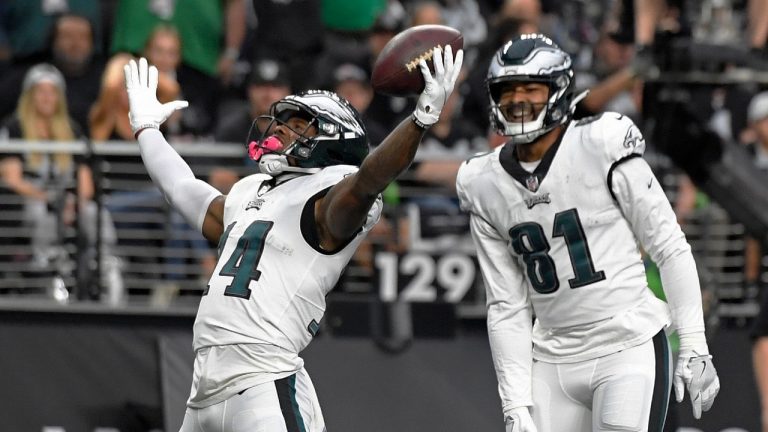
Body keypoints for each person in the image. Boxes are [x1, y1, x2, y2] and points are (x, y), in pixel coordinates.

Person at [123, 42, 462, 430]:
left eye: (299, 125)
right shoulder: (253, 191)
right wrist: (146, 129)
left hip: (263, 383)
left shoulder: (330, 196)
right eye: (283, 121)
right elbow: (181, 187)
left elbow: (368, 179)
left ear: (334, 140)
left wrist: (421, 118)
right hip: (203, 386)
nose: (281, 131)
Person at [454, 33, 719, 432]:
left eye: (531, 88)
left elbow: (668, 246)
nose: (517, 100)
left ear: (558, 91)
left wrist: (694, 343)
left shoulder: (601, 143)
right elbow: (506, 305)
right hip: (552, 354)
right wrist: (514, 402)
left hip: (627, 345)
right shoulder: (483, 181)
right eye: (507, 90)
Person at [0, 63, 122, 299]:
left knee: (93, 211)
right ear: (30, 95)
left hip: (66, 200)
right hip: (31, 200)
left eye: (52, 91)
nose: (47, 97)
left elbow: (85, 182)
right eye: (41, 91)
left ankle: (107, 266)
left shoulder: (72, 130)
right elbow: (13, 179)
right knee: (39, 213)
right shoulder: (14, 127)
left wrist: (72, 202)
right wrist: (49, 199)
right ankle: (47, 269)